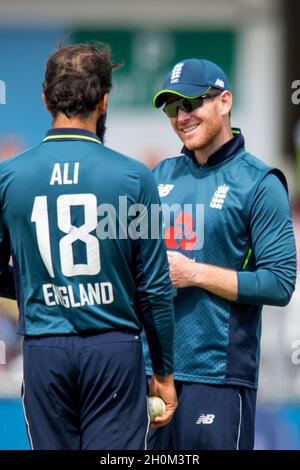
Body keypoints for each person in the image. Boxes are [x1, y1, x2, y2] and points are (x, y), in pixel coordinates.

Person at [0, 44, 177, 450]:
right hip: (113, 348)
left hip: (45, 349)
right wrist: (164, 375)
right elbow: (154, 288)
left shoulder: (8, 177)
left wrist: (41, 289)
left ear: (45, 99)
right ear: (104, 100)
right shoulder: (135, 178)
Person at [143, 58, 297, 450]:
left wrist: (193, 273)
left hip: (219, 378)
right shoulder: (158, 177)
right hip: (152, 377)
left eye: (192, 103)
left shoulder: (259, 183)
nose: (182, 116)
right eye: (173, 108)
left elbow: (279, 283)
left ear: (225, 101)